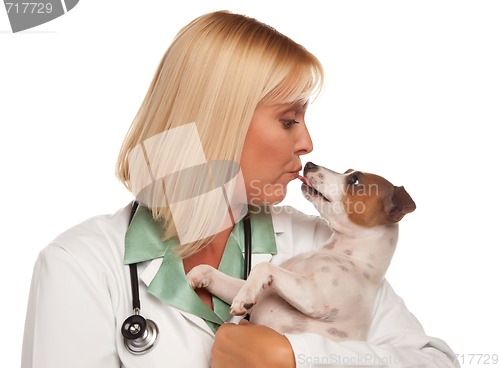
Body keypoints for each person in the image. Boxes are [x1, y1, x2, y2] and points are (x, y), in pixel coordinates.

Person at [21, 10, 459, 368]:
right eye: (288, 120)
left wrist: (297, 359)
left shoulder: (323, 244)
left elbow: (435, 362)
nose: (307, 143)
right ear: (219, 121)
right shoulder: (79, 266)